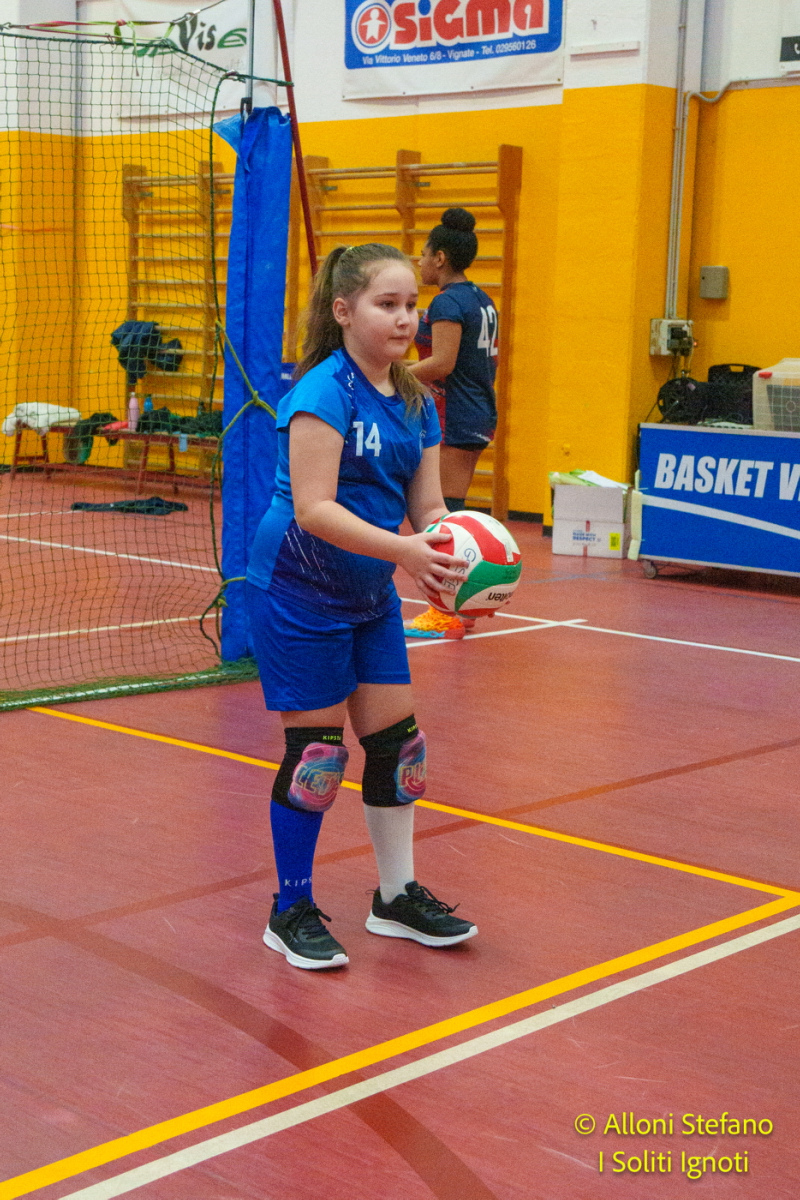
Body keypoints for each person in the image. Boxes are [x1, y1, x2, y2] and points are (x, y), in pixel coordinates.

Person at [245, 242, 478, 970]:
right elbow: (313, 508)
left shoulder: (416, 401)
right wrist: (405, 551)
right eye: (387, 304)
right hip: (299, 590)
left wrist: (454, 562)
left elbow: (430, 507)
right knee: (317, 757)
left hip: (368, 592)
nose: (406, 319)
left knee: (400, 748)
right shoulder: (323, 392)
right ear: (344, 311)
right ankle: (290, 908)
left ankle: (395, 896)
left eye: (412, 305)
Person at [405, 207, 499, 640]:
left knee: (442, 521)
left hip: (456, 414)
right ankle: (461, 606)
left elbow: (442, 362)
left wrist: (389, 377)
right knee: (448, 513)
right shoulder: (481, 298)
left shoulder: (447, 302)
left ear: (440, 258)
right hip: (473, 411)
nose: (419, 261)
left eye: (424, 254)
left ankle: (447, 611)